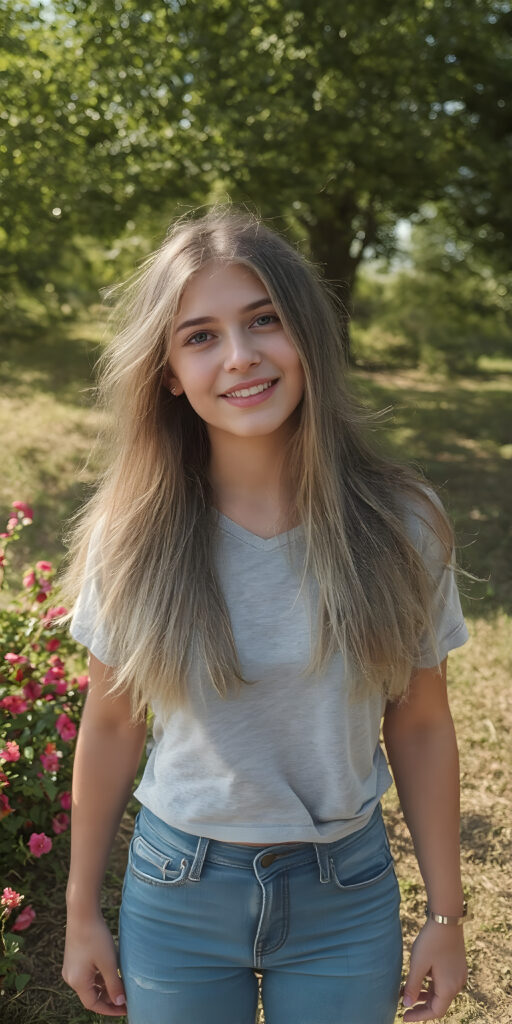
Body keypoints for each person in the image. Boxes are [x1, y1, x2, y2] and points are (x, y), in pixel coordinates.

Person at [61, 205, 470, 1024]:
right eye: (201, 335)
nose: (241, 357)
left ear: (307, 337)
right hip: (178, 893)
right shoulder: (133, 534)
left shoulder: (402, 522)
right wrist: (80, 915)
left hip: (344, 895)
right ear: (169, 371)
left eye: (263, 321)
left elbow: (421, 725)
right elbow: (109, 727)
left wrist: (446, 916)